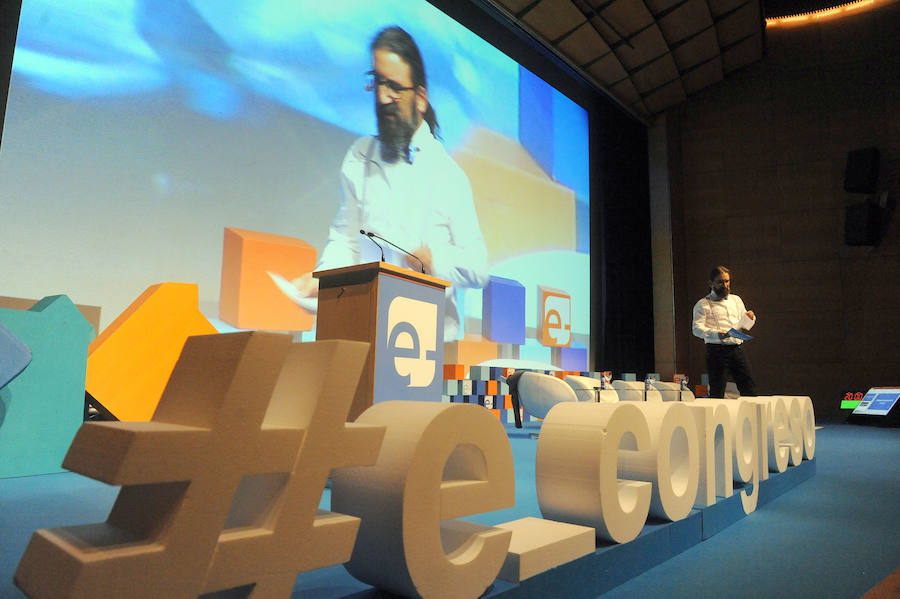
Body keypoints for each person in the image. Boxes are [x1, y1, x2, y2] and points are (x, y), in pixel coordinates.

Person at [293, 25, 488, 340]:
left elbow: (478, 268)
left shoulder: (449, 175)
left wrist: (434, 259)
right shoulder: (359, 155)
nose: (383, 97)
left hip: (428, 345)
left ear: (420, 98)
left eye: (394, 86)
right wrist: (324, 281)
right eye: (378, 82)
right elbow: (345, 238)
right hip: (365, 329)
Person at [691, 265, 757, 398]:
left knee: (748, 386)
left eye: (727, 281)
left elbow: (745, 324)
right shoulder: (702, 304)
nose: (725, 285)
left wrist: (750, 318)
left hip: (737, 348)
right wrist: (716, 334)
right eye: (720, 282)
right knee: (717, 390)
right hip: (716, 351)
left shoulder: (736, 300)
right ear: (711, 283)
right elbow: (697, 329)